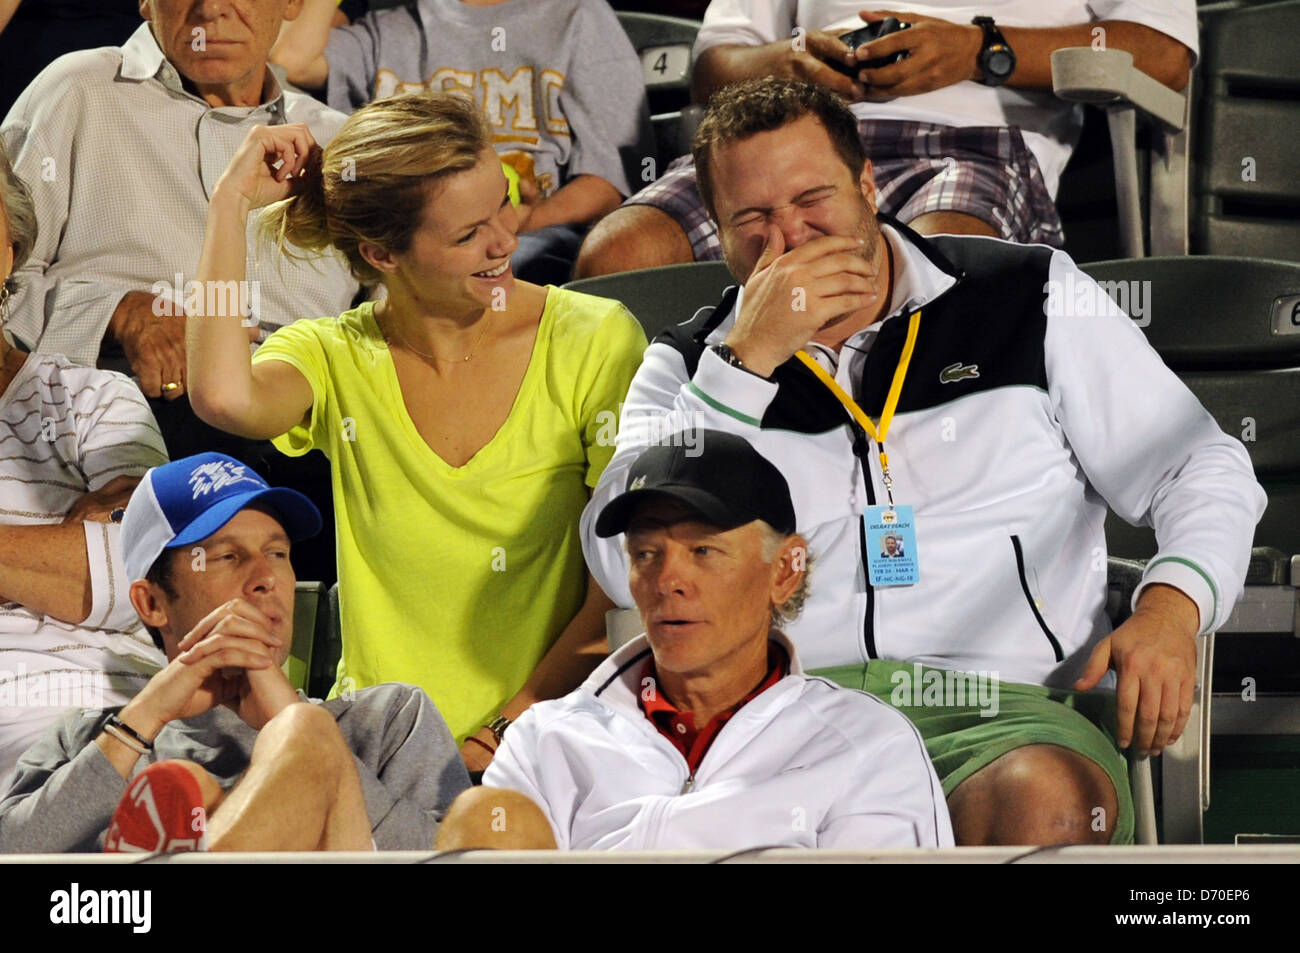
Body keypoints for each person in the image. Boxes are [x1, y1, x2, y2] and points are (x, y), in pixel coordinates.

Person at [580, 78, 1267, 846]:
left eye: (813, 199)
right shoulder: (690, 365)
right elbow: (618, 560)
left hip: (1003, 713)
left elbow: (1199, 466)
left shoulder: (1027, 294)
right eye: (754, 220)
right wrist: (744, 367)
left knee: (1044, 800)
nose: (791, 239)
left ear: (869, 185)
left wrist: (1173, 609)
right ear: (716, 229)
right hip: (785, 721)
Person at [185, 91, 647, 769]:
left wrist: (500, 733)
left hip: (555, 740)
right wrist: (229, 207)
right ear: (382, 255)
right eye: (468, 235)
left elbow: (621, 583)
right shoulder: (333, 354)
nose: (505, 243)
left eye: (501, 205)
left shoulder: (596, 339)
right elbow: (222, 395)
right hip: (377, 751)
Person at [438, 430, 952, 851]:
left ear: (784, 572)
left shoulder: (865, 744)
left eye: (704, 551)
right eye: (645, 554)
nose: (668, 581)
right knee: (483, 812)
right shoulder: (546, 741)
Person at [0, 452, 468, 852]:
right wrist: (143, 718)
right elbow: (14, 853)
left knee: (305, 729)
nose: (266, 577)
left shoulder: (388, 720)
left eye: (278, 554)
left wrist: (295, 728)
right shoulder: (92, 739)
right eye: (228, 556)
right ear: (152, 602)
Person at [574, 0, 1197, 277]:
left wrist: (980, 50)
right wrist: (792, 60)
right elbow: (715, 68)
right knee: (617, 259)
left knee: (929, 273)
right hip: (793, 138)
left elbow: (1162, 53)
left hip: (970, 142)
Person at [270, 0, 654, 285]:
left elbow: (608, 184)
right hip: (402, 238)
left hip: (529, 235)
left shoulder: (578, 16)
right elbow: (291, 59)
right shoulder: (390, 29)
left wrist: (516, 221)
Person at [0, 143, 169, 782]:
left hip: (130, 709)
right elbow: (89, 571)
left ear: (11, 247)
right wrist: (57, 552)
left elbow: (138, 579)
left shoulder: (93, 398)